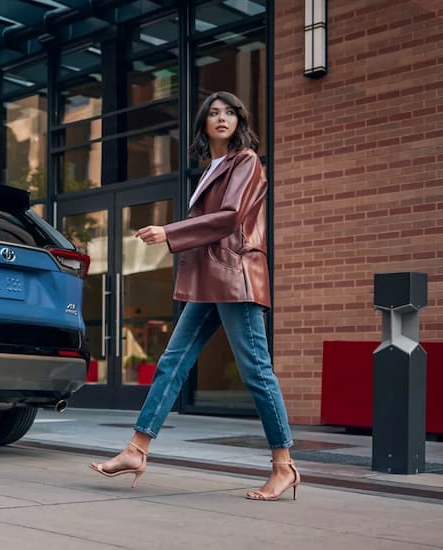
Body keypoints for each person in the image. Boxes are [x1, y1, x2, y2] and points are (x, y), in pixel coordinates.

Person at [88, 91, 300, 501]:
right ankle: (136, 449)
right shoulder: (212, 168)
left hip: (235, 277)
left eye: (230, 113)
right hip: (209, 280)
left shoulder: (247, 161)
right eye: (214, 113)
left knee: (256, 371)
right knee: (171, 363)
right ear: (203, 124)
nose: (222, 119)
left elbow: (231, 218)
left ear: (240, 120)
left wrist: (169, 233)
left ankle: (284, 465)